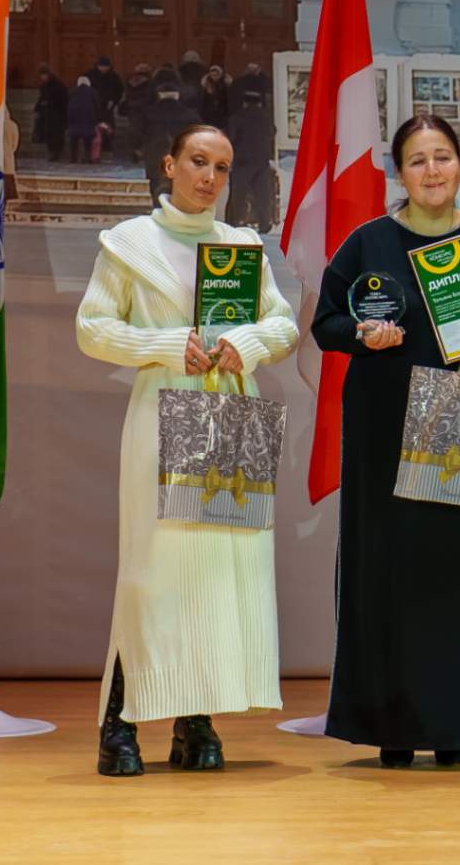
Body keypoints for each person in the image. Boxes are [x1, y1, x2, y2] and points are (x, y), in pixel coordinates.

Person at [312, 114, 460, 769]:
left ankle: (458, 723)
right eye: (417, 160)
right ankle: (392, 724)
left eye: (442, 157)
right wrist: (361, 335)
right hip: (385, 433)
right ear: (399, 172)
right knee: (390, 574)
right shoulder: (368, 243)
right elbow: (325, 323)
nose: (432, 170)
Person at [76, 123, 299, 777]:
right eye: (198, 161)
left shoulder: (241, 245)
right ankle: (118, 723)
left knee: (221, 574)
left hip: (231, 413)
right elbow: (93, 328)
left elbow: (282, 322)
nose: (209, 176)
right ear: (169, 164)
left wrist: (245, 345)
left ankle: (195, 721)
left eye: (222, 167)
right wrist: (167, 346)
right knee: (155, 572)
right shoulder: (128, 244)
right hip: (161, 414)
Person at [138, 71, 200, 206]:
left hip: (154, 156)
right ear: (177, 95)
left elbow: (137, 133)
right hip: (181, 156)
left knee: (156, 185)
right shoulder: (190, 115)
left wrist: (138, 149)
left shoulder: (148, 113)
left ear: (159, 94)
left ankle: (158, 210)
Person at [226, 89, 275, 231]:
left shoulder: (238, 117)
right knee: (262, 195)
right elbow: (272, 132)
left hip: (243, 162)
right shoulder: (266, 118)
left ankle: (233, 223)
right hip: (262, 161)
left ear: (245, 102)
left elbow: (231, 137)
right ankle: (264, 224)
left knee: (238, 195)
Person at [86, 55, 125, 155]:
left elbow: (119, 91)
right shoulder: (90, 75)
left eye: (106, 66)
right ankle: (93, 147)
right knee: (94, 126)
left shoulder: (114, 76)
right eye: (101, 66)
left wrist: (114, 101)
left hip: (108, 106)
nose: (103, 68)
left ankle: (107, 147)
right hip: (93, 105)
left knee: (108, 126)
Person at [35, 63, 68, 161]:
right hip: (49, 114)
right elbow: (42, 98)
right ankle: (52, 152)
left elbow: (63, 99)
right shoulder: (44, 86)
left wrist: (49, 102)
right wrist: (38, 108)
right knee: (50, 134)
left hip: (58, 114)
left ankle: (57, 152)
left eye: (44, 74)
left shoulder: (58, 85)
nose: (43, 77)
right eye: (41, 75)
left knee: (57, 134)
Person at [67, 75, 102, 163]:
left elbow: (68, 105)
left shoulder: (73, 91)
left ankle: (73, 158)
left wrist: (69, 119)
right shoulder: (93, 92)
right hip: (88, 119)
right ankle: (87, 158)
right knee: (87, 141)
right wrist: (97, 118)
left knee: (74, 140)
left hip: (75, 119)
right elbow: (97, 106)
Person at [199, 64, 230, 129]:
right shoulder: (206, 85)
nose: (214, 77)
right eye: (212, 75)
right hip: (207, 115)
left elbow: (226, 102)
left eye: (216, 75)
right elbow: (203, 102)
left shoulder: (224, 86)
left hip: (221, 116)